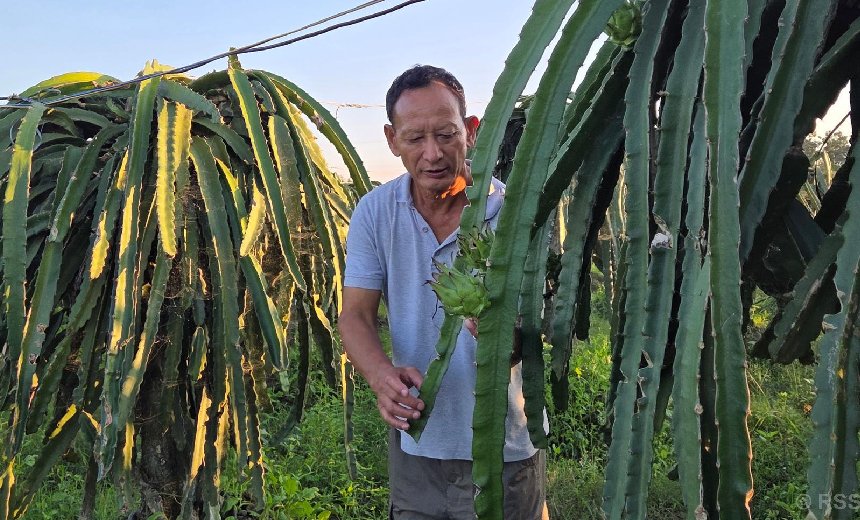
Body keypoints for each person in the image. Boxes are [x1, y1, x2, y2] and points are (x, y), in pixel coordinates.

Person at [338, 64, 548, 519]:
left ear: (470, 131)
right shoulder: (374, 213)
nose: (432, 153)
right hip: (417, 443)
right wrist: (381, 376)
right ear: (392, 139)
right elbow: (355, 314)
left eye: (446, 134)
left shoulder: (513, 213)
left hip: (505, 446)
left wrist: (500, 336)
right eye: (415, 138)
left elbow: (536, 326)